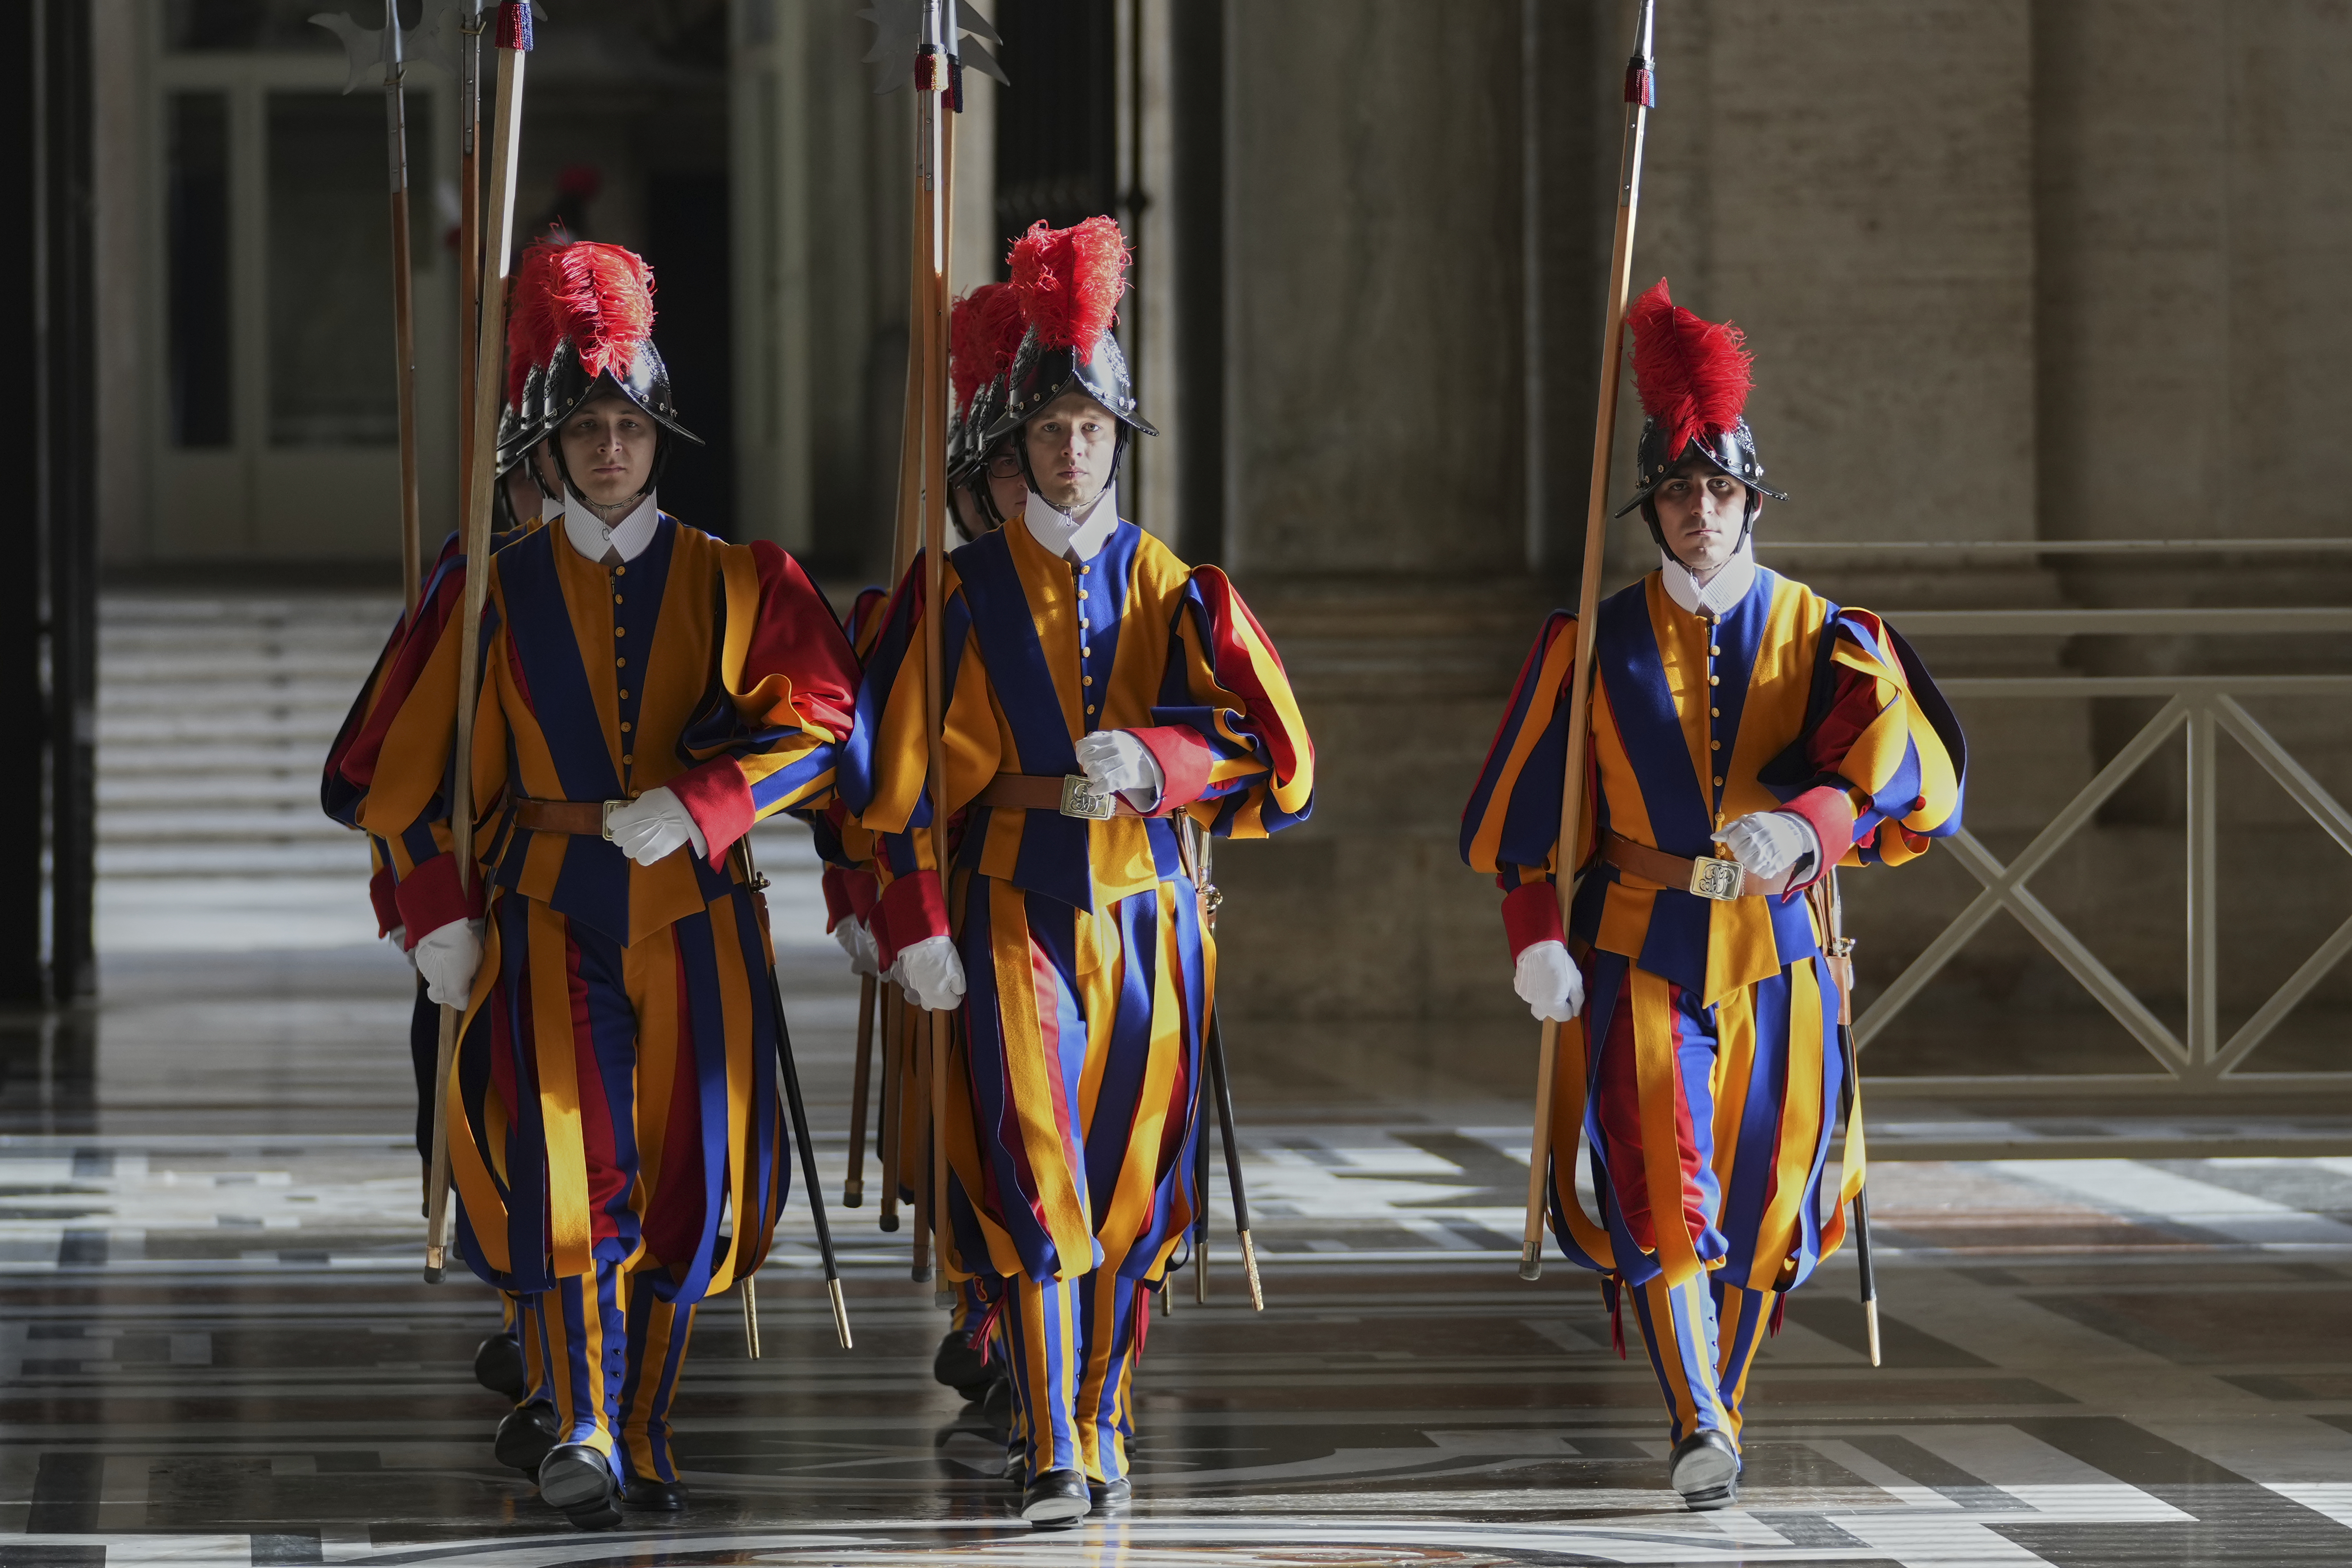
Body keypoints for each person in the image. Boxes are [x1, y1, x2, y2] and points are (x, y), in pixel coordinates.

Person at [357, 238, 861, 1531]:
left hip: (693, 910)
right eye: (584, 426)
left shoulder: (742, 578)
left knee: (688, 1178)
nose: (607, 449)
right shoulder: (486, 592)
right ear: (550, 441)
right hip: (541, 908)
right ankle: (579, 1416)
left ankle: (638, 1429)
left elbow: (818, 724)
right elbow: (402, 774)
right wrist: (433, 916)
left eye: (627, 425)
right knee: (567, 1169)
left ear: (658, 435)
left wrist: (702, 803)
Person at [1460, 280, 1964, 1511]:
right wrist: (1533, 935)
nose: (1699, 512)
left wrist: (1804, 830)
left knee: (1762, 1198)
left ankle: (1717, 1400)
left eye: (1719, 491)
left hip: (1780, 948)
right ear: (1650, 506)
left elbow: (1906, 771)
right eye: (1678, 493)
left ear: (1748, 498)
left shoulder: (1823, 630)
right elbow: (1523, 818)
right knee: (1660, 1187)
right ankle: (1695, 1414)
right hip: (1637, 938)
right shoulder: (1587, 636)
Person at [842, 216, 1314, 1527]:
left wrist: (1162, 758)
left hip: (1152, 909)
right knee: (1035, 1169)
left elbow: (1278, 757)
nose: (1066, 447)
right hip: (1007, 905)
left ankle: (1100, 1416)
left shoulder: (1178, 586)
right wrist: (910, 916)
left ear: (1117, 440)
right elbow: (886, 791)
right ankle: (1053, 1439)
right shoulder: (952, 590)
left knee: (1130, 1186)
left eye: (1088, 428)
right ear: (1021, 441)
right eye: (1046, 428)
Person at [322, 321, 575, 1471]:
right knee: (487, 1126)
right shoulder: (473, 572)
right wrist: (427, 907)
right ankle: (537, 1330)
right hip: (485, 908)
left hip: (611, 907)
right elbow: (381, 767)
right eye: (532, 466)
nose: (545, 486)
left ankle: (575, 1363)